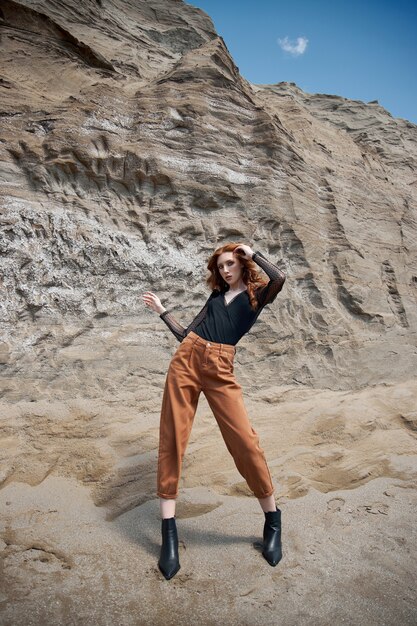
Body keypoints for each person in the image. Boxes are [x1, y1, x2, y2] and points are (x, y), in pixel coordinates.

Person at [142, 242, 286, 580]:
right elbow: (186, 334)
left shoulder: (256, 295)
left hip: (221, 367)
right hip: (186, 362)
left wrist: (253, 254)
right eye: (220, 266)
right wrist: (163, 311)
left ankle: (273, 520)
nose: (224, 270)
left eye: (230, 264)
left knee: (245, 442)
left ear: (241, 264)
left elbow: (279, 278)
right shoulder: (215, 299)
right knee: (172, 439)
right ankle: (169, 535)